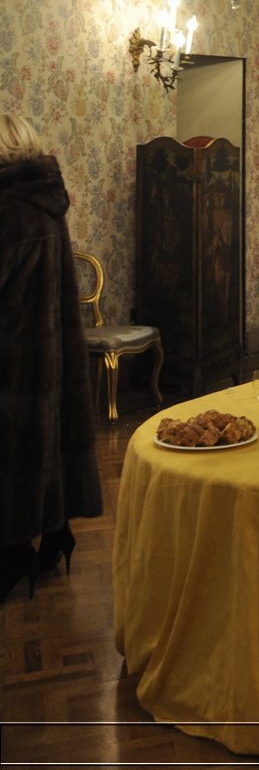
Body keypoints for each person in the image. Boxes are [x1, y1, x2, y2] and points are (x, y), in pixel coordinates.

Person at [0, 115, 102, 602]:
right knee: (45, 442)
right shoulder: (44, 200)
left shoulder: (7, 210)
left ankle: (14, 551)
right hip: (50, 350)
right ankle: (56, 531)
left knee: (16, 453)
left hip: (13, 358)